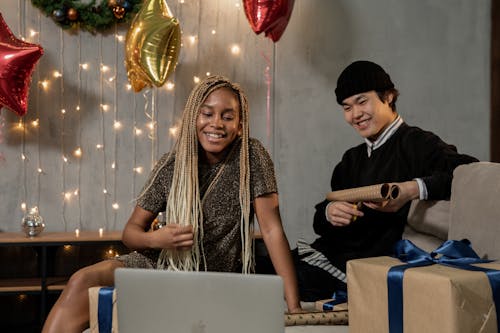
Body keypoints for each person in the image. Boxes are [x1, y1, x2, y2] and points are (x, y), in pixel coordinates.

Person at [42, 75, 302, 333]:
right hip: (160, 266)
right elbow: (130, 232)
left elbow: (272, 231)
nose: (216, 123)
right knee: (82, 279)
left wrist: (294, 307)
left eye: (227, 116)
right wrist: (158, 240)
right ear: (193, 118)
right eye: (207, 114)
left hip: (213, 276)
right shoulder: (172, 164)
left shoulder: (251, 156)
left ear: (240, 124)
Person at [294, 60, 479, 301]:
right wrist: (329, 212)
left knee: (287, 278)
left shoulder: (417, 143)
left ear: (388, 96)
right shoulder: (351, 159)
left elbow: (468, 172)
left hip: (368, 260)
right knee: (261, 263)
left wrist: (411, 188)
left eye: (362, 101)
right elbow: (321, 218)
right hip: (332, 249)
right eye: (347, 107)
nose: (355, 114)